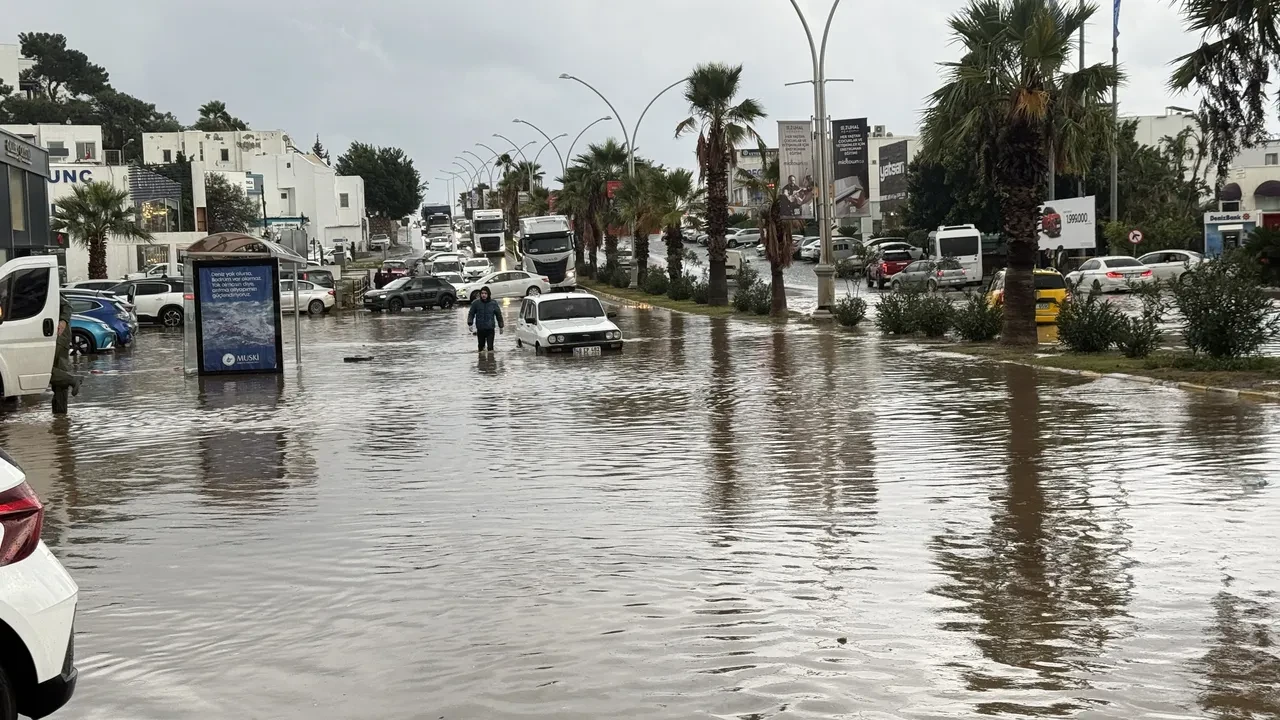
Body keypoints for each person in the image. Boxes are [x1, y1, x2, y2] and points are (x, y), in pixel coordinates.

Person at [49, 294, 81, 415]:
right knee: (58, 375)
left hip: (58, 337)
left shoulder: (44, 285)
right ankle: (60, 417)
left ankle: (71, 380)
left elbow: (67, 305)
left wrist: (63, 320)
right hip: (52, 336)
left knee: (42, 369)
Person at [467, 286, 504, 353]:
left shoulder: (493, 303)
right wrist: (470, 323)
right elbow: (471, 313)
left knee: (490, 349)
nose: (483, 295)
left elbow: (498, 315)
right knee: (481, 349)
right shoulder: (476, 303)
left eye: (485, 293)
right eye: (482, 293)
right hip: (480, 329)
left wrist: (501, 326)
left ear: (488, 294)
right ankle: (481, 362)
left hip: (490, 329)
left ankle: (490, 362)